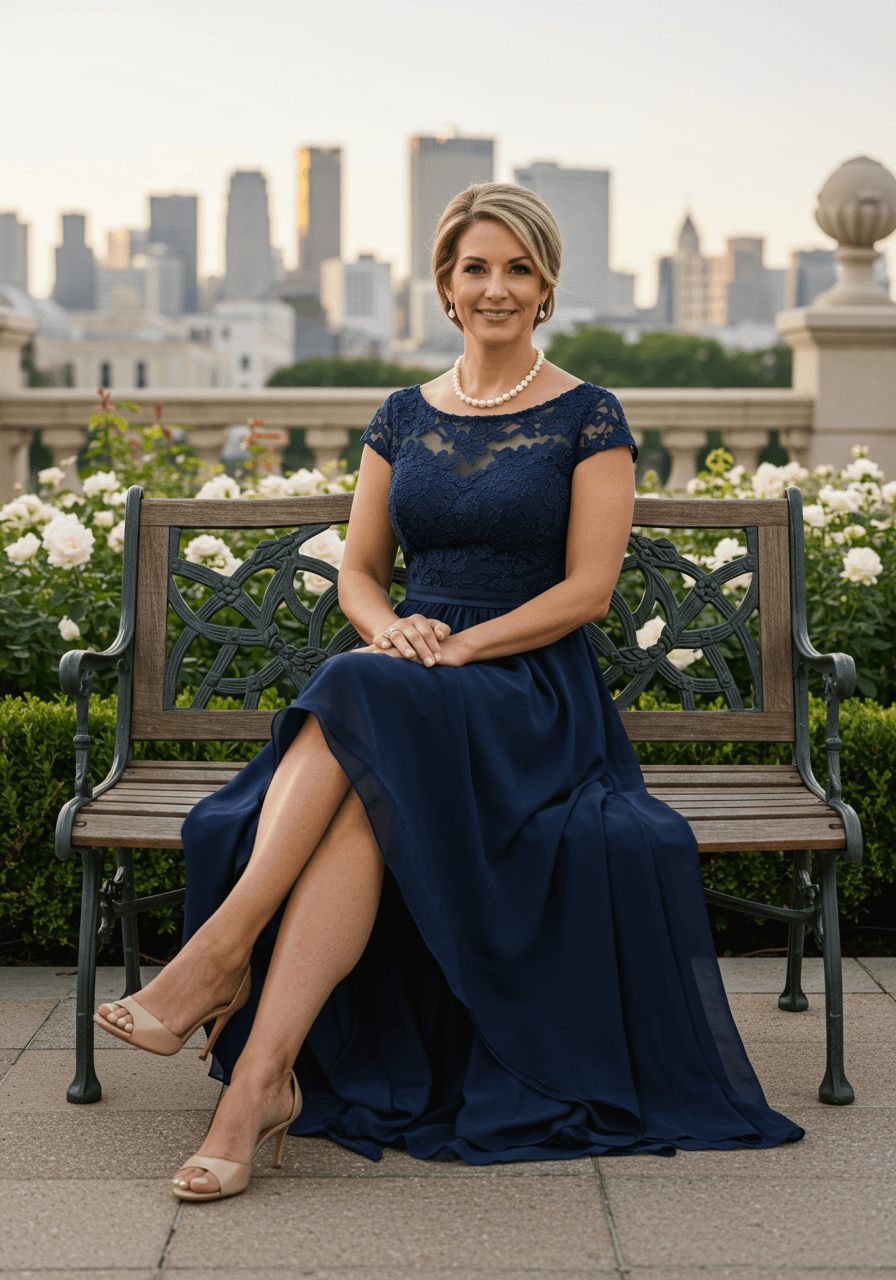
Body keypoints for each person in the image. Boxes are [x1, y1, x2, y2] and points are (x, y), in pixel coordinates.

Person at [95, 183, 803, 1200]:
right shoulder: (399, 414)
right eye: (476, 267)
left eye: (517, 268)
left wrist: (460, 651)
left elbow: (587, 590)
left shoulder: (587, 414)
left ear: (546, 285)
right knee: (364, 762)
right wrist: (391, 629)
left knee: (360, 693)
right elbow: (357, 571)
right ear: (444, 283)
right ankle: (253, 1086)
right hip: (407, 674)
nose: (495, 287)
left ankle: (218, 956)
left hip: (526, 695)